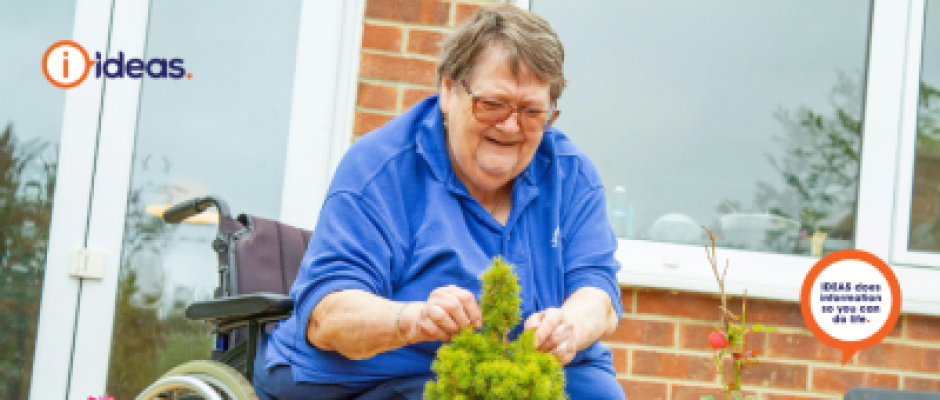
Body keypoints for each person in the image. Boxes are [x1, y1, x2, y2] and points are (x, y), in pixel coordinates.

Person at [253, 4, 625, 399]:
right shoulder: (381, 169)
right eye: (493, 104)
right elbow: (328, 317)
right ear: (448, 89)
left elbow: (598, 294)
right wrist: (412, 318)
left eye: (532, 112)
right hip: (376, 373)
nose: (511, 125)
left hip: (512, 369)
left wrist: (570, 325)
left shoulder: (570, 174)